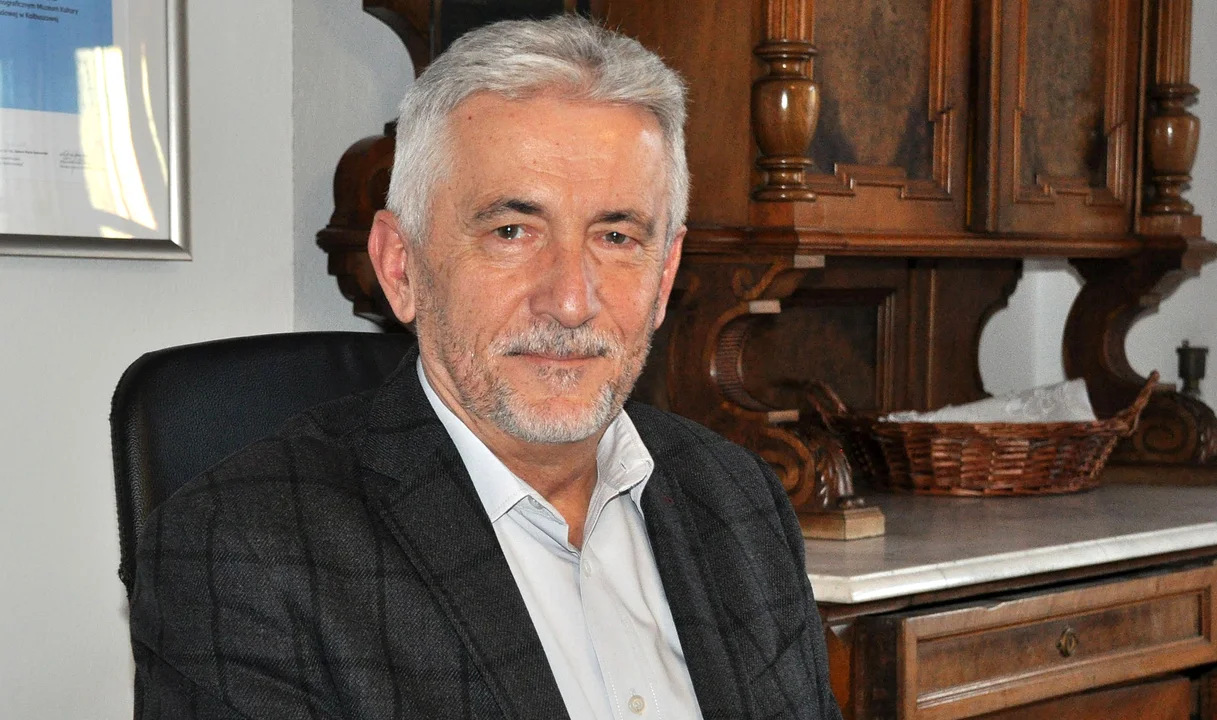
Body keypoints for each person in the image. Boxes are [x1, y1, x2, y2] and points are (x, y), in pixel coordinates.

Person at [130, 15, 843, 720]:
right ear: (401, 267)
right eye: (512, 231)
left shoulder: (737, 497)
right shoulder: (243, 553)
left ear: (664, 275)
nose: (570, 301)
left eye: (616, 236)